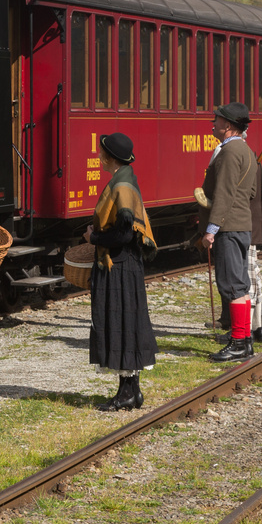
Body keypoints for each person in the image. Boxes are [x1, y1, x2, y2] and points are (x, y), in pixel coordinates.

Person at [84, 132, 158, 410]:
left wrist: (94, 238)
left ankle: (128, 393)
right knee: (126, 325)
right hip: (125, 266)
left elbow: (124, 234)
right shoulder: (124, 178)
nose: (99, 156)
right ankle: (131, 391)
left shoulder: (122, 185)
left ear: (109, 157)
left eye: (101, 152)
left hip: (120, 265)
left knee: (123, 326)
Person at [199, 101, 262, 362]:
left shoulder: (227, 153)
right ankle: (244, 338)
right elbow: (250, 192)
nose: (213, 124)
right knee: (240, 283)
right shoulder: (246, 151)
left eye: (216, 120)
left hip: (228, 227)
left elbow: (224, 194)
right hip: (241, 223)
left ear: (227, 125)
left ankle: (238, 342)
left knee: (232, 284)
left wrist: (211, 230)